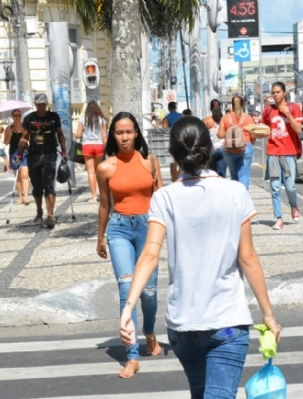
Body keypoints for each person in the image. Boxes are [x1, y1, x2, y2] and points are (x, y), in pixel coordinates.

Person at [119, 116, 281, 397]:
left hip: (183, 327)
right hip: (228, 324)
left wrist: (127, 310)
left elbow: (149, 255)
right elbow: (248, 259)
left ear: (173, 154)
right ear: (210, 148)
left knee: (200, 392)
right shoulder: (235, 192)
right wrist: (268, 314)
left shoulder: (164, 197)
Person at [96, 111, 163, 379]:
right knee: (126, 288)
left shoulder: (150, 161)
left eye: (129, 132)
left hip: (148, 228)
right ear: (113, 135)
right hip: (119, 229)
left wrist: (165, 229)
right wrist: (100, 236)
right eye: (119, 132)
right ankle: (132, 355)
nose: (124, 137)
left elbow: (160, 198)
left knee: (148, 291)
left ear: (137, 133)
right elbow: (104, 204)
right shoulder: (106, 167)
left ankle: (149, 332)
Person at [15, 93, 66, 229]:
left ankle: (50, 215)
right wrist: (19, 153)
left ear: (46, 104)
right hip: (34, 155)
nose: (41, 107)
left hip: (50, 154)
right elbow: (24, 138)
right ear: (35, 105)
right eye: (39, 105)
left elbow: (60, 134)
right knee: (37, 187)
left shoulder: (53, 117)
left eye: (43, 104)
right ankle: (39, 211)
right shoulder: (29, 118)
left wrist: (64, 150)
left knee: (49, 185)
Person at [262, 81, 303, 230]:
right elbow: (265, 130)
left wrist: (287, 113)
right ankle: (279, 218)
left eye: (278, 92)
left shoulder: (294, 108)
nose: (275, 95)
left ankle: (294, 205)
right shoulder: (267, 110)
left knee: (290, 187)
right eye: (273, 92)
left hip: (289, 152)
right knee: (274, 187)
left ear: (284, 93)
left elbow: (298, 130)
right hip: (273, 152)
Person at [217, 95, 255, 189]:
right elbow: (253, 135)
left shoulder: (225, 118)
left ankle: (236, 199)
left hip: (229, 149)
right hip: (245, 147)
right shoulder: (248, 118)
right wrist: (250, 143)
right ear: (243, 104)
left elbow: (220, 135)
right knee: (244, 174)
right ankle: (244, 196)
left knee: (234, 175)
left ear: (232, 104)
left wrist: (230, 133)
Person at [75, 100, 108, 202]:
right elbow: (104, 136)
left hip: (87, 146)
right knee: (98, 170)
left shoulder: (82, 119)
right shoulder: (102, 120)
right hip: (99, 145)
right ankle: (100, 192)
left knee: (90, 172)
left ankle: (93, 196)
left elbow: (78, 135)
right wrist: (106, 149)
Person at [4, 109, 31, 205]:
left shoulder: (25, 127)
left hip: (24, 153)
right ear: (12, 117)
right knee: (18, 177)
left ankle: (26, 197)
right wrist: (10, 135)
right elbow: (6, 142)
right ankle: (20, 197)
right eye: (15, 115)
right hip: (14, 154)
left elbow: (30, 140)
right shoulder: (9, 128)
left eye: (19, 115)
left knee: (25, 175)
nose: (17, 117)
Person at [203, 99, 227, 177]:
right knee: (221, 174)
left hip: (211, 150)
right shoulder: (225, 119)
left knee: (212, 175)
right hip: (223, 149)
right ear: (220, 107)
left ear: (210, 108)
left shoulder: (207, 120)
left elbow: (202, 136)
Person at [162, 102, 183, 182]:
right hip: (181, 141)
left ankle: (174, 180)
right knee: (181, 162)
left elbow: (164, 129)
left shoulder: (167, 118)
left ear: (169, 108)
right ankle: (179, 177)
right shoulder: (181, 116)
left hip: (172, 142)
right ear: (175, 107)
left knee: (173, 163)